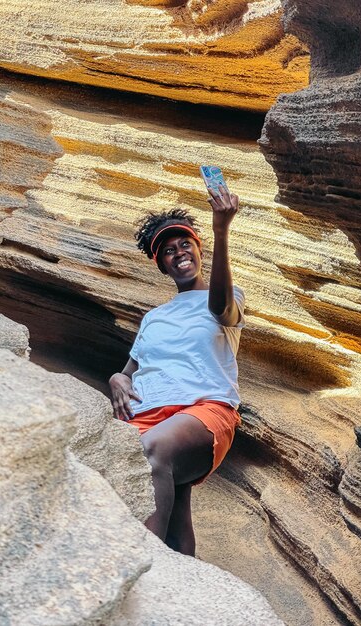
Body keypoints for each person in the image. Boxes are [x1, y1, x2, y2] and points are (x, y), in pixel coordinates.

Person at [109, 185, 245, 556]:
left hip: (204, 411)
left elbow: (220, 308)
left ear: (199, 249)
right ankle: (183, 589)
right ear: (161, 264)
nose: (178, 253)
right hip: (147, 413)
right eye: (168, 251)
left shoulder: (227, 296)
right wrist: (116, 378)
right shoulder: (153, 318)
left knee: (152, 451)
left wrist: (221, 229)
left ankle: (143, 571)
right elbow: (130, 370)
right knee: (175, 512)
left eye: (185, 244)